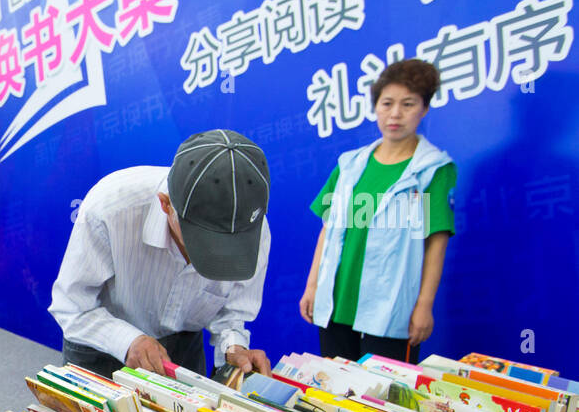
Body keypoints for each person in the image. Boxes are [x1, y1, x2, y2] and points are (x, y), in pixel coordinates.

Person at [50, 130, 272, 379]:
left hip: (183, 346)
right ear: (165, 204)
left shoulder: (253, 230)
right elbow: (72, 307)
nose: (213, 254)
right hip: (102, 343)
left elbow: (233, 312)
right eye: (202, 241)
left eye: (227, 244)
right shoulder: (110, 209)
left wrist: (233, 346)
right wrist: (128, 341)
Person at [299, 58, 456, 363]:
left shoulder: (432, 170)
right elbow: (328, 229)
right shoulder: (351, 164)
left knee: (383, 401)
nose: (395, 114)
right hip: (338, 299)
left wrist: (424, 304)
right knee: (333, 397)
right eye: (387, 103)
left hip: (393, 306)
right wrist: (312, 284)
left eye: (408, 104)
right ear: (376, 107)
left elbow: (436, 242)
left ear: (424, 109)